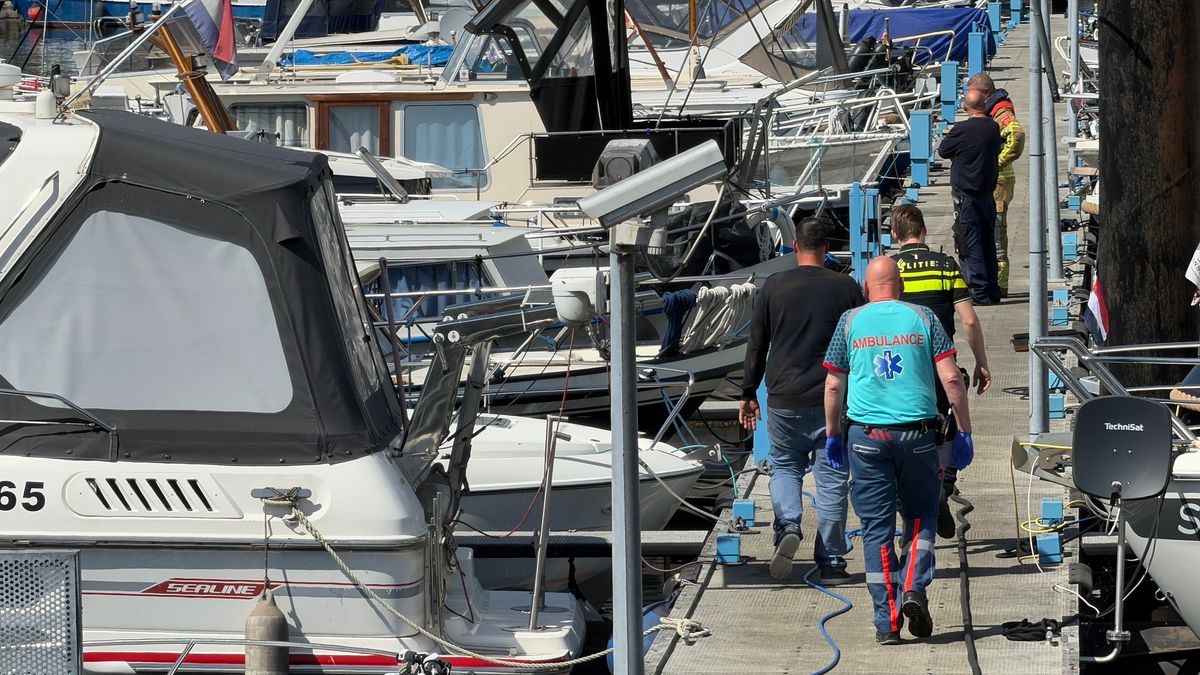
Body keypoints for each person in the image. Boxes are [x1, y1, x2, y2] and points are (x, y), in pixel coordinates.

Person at [822, 257, 974, 644]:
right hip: (919, 437)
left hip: (867, 439)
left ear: (866, 287)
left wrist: (832, 434)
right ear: (900, 286)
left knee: (876, 529)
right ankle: (912, 587)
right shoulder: (923, 318)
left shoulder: (850, 322)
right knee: (921, 516)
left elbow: (834, 386)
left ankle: (886, 624)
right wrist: (963, 431)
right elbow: (952, 379)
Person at [740, 217, 866, 584]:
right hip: (834, 399)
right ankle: (831, 563)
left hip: (784, 396)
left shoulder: (774, 287)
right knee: (831, 478)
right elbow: (858, 344)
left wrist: (748, 392)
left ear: (794, 247)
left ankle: (788, 525)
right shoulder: (846, 287)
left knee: (783, 465)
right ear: (826, 248)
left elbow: (756, 345)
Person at [890, 204, 991, 539]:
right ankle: (943, 486)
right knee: (946, 429)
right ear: (924, 232)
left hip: (902, 367)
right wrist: (981, 362)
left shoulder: (891, 270)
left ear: (894, 235)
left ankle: (914, 497)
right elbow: (969, 319)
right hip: (940, 361)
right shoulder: (946, 266)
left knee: (907, 431)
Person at [937, 88, 1002, 305]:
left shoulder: (962, 129)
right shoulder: (993, 127)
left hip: (967, 197)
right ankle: (993, 290)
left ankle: (979, 292)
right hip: (987, 195)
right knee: (988, 242)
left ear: (965, 107)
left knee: (970, 243)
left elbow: (943, 150)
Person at [968, 72, 1026, 297]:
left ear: (985, 93)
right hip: (994, 181)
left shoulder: (1001, 111)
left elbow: (1016, 136)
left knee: (996, 234)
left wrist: (996, 162)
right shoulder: (991, 109)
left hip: (999, 182)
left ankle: (1000, 286)